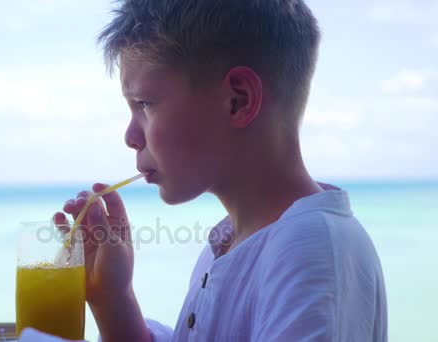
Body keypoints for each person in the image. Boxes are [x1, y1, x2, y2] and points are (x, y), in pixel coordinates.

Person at [49, 0, 388, 341]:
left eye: (145, 104)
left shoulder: (310, 248)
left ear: (237, 100)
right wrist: (113, 300)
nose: (130, 137)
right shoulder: (231, 243)